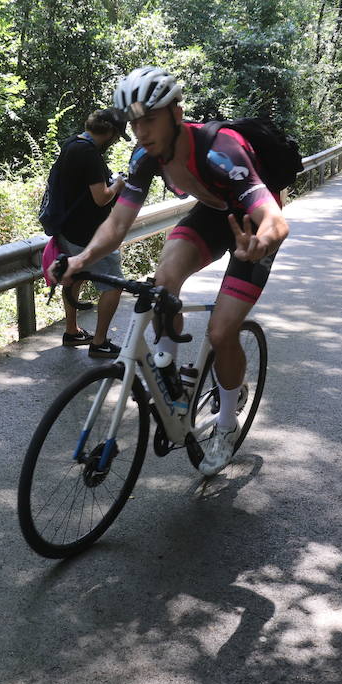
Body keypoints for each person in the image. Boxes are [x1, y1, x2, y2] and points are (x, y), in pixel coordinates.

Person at [57, 67, 290, 476]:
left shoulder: (221, 150)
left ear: (176, 114)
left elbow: (272, 216)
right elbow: (116, 226)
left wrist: (261, 242)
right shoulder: (145, 156)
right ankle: (169, 373)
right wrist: (81, 260)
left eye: (150, 119)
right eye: (134, 123)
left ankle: (225, 423)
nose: (141, 131)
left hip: (250, 229)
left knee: (221, 332)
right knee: (162, 282)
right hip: (214, 213)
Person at [51, 108, 128, 357]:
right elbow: (101, 198)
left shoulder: (72, 143)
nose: (115, 141)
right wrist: (118, 184)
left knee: (76, 276)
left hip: (68, 228)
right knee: (113, 284)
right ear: (110, 133)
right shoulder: (90, 154)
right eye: (116, 136)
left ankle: (72, 331)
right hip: (89, 233)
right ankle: (99, 342)